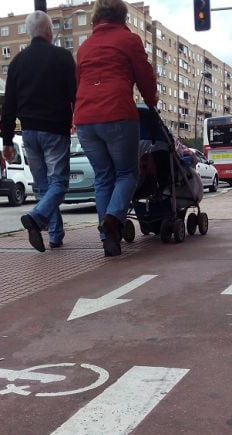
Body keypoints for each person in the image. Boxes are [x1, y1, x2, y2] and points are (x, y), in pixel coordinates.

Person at [74, 0, 158, 257]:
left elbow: (78, 83)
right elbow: (145, 76)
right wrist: (151, 102)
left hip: (86, 119)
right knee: (126, 173)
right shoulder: (128, 40)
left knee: (103, 177)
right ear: (122, 16)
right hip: (118, 114)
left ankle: (107, 237)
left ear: (97, 17)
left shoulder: (85, 47)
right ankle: (112, 219)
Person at [0, 10, 76, 252]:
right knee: (59, 184)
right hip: (55, 130)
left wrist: (7, 140)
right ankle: (36, 216)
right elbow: (76, 95)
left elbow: (9, 104)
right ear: (49, 31)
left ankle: (55, 234)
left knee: (44, 186)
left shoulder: (17, 63)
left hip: (29, 133)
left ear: (29, 33)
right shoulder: (63, 58)